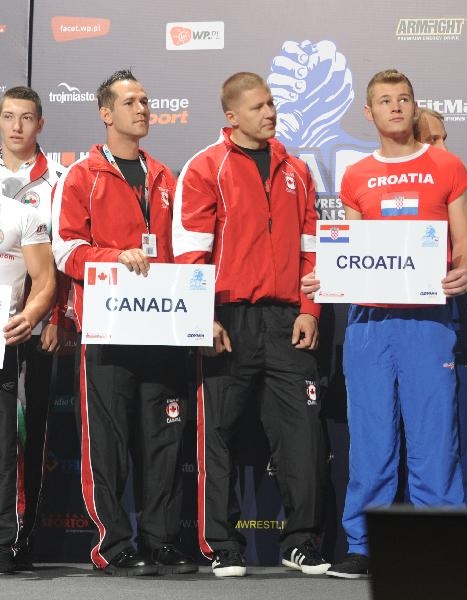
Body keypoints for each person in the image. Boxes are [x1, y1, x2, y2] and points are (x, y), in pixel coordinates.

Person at [303, 69, 467, 579]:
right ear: (369, 112)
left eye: (403, 99)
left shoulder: (446, 164)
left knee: (433, 437)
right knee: (372, 437)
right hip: (370, 325)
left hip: (428, 323)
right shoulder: (355, 175)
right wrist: (325, 280)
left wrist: (463, 270)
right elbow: (351, 251)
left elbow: (463, 242)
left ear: (414, 105)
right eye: (384, 100)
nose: (395, 107)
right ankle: (363, 543)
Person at [173, 72, 327, 578]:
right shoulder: (204, 167)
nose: (270, 113)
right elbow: (191, 253)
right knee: (216, 433)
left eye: (272, 105)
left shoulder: (298, 169)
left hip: (287, 318)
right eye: (259, 106)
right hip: (228, 318)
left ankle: (301, 541)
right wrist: (205, 317)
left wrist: (311, 310)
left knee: (302, 432)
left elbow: (313, 248)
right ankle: (222, 543)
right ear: (231, 116)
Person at [51, 69, 195, 576]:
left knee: (163, 440)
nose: (143, 109)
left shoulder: (164, 176)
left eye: (146, 101)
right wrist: (116, 257)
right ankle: (114, 544)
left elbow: (181, 253)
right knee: (107, 446)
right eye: (131, 101)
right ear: (106, 113)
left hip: (162, 328)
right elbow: (65, 250)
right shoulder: (82, 175)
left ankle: (161, 541)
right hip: (107, 331)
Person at [0, 85, 68, 568]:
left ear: (40, 123)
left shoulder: (59, 180)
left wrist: (54, 316)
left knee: (34, 430)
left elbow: (61, 259)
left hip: (36, 321)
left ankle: (24, 534)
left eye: (26, 118)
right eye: (8, 117)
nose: (16, 126)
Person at [413, 107, 467, 507]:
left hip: (459, 325)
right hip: (409, 327)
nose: (443, 147)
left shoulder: (463, 187)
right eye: (433, 139)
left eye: (445, 138)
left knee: (461, 434)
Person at [0, 192, 55, 573]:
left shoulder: (22, 215)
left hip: (3, 343)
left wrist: (31, 313)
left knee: (3, 451)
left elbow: (45, 278)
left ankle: (3, 542)